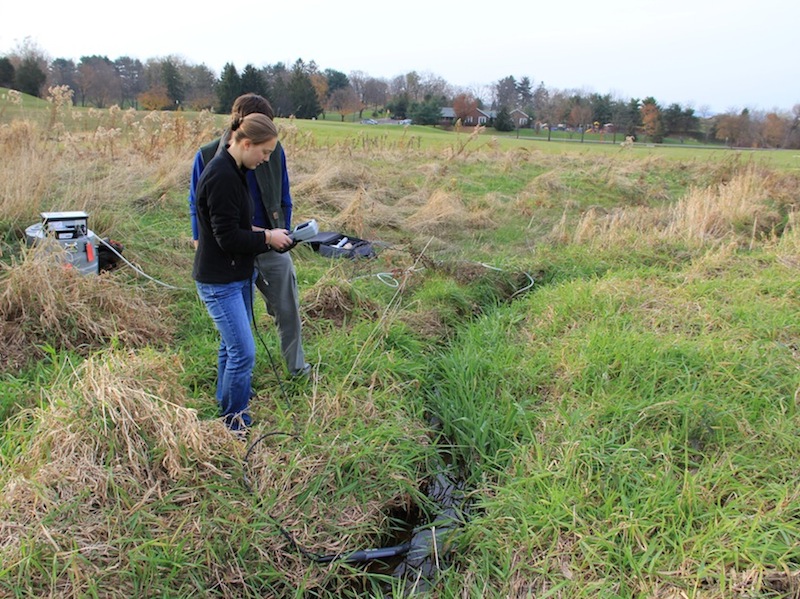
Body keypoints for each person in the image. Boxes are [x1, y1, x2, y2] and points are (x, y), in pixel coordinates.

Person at [189, 94, 310, 378]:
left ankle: (297, 370)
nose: (267, 152)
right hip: (229, 250)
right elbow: (195, 203)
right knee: (236, 322)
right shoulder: (207, 156)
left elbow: (284, 196)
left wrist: (283, 236)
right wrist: (199, 239)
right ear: (242, 128)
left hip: (271, 247)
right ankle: (236, 383)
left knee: (288, 310)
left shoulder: (274, 150)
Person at [193, 112, 292, 432]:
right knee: (243, 352)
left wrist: (269, 234)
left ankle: (226, 408)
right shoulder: (220, 176)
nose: (266, 160)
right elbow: (227, 237)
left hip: (237, 275)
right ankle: (235, 423)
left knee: (230, 346)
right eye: (264, 152)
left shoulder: (235, 169)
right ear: (246, 143)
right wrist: (266, 237)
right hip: (219, 281)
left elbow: (235, 223)